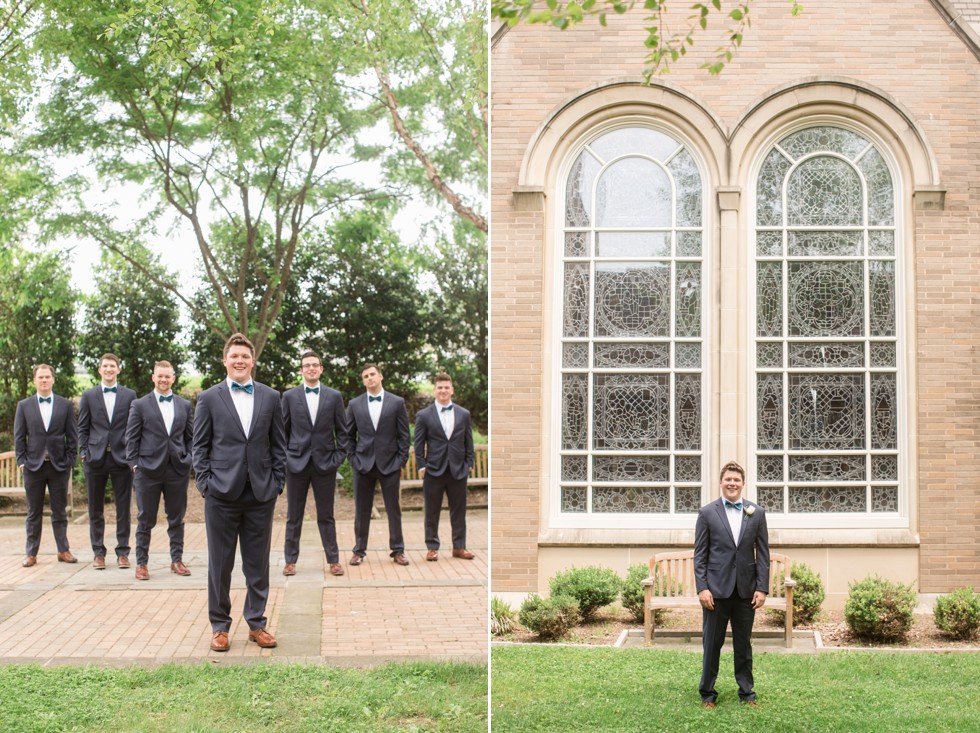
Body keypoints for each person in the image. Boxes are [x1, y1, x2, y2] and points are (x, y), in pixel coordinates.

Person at [192, 333, 286, 652]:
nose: (240, 361)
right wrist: (206, 484)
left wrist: (276, 483)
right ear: (225, 360)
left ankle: (257, 623)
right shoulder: (208, 398)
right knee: (220, 563)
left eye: (245, 356)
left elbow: (279, 445)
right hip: (221, 493)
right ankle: (219, 626)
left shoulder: (271, 397)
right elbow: (200, 447)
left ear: (253, 361)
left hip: (261, 493)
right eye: (234, 356)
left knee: (257, 563)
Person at [694, 460, 770, 709]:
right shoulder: (707, 513)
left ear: (743, 483)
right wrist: (702, 588)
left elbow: (763, 554)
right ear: (720, 482)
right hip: (716, 591)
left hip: (746, 591)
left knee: (743, 644)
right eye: (728, 479)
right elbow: (700, 555)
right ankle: (707, 692)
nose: (732, 483)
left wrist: (761, 588)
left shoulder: (756, 513)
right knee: (711, 644)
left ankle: (747, 692)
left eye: (736, 480)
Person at [281, 350, 351, 577]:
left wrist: (338, 458)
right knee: (294, 515)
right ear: (301, 370)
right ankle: (290, 560)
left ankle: (333, 559)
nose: (311, 368)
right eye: (307, 365)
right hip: (296, 464)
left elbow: (343, 432)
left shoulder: (334, 396)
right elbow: (282, 432)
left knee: (326, 515)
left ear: (321, 369)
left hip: (325, 464)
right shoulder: (289, 397)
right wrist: (287, 459)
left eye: (315, 365)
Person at [125, 360, 194, 580]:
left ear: (173, 378)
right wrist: (135, 464)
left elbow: (191, 437)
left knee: (176, 518)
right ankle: (142, 564)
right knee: (145, 519)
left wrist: (189, 459)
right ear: (153, 377)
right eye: (160, 376)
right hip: (147, 470)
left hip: (177, 469)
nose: (163, 380)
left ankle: (177, 560)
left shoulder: (184, 405)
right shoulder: (140, 404)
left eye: (167, 376)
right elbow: (131, 438)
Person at [346, 362, 411, 566]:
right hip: (363, 465)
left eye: (372, 374)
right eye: (365, 376)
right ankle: (359, 550)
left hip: (390, 464)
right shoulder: (355, 404)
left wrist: (400, 461)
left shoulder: (396, 402)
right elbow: (348, 436)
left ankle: (398, 550)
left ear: (380, 376)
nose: (369, 378)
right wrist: (353, 459)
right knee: (361, 510)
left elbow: (404, 435)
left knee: (394, 509)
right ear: (363, 380)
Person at [77, 353, 137, 570]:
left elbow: (134, 426)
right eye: (105, 366)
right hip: (95, 458)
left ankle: (123, 552)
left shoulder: (130, 395)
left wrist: (132, 453)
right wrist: (84, 452)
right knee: (95, 508)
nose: (109, 369)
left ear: (118, 369)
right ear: (99, 370)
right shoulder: (88, 395)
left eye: (113, 366)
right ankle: (98, 553)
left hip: (122, 458)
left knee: (123, 508)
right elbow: (82, 427)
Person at [14, 364, 78, 567]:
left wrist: (70, 461)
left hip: (59, 466)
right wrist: (21, 461)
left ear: (53, 380)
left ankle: (63, 550)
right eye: (40, 377)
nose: (44, 380)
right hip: (33, 467)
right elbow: (19, 437)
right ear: (35, 380)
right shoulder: (24, 405)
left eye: (47, 377)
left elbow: (72, 436)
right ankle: (31, 553)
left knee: (59, 511)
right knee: (34, 512)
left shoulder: (65, 405)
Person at [414, 373, 475, 561]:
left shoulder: (464, 414)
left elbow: (468, 442)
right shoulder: (423, 415)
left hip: (458, 470)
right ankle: (432, 547)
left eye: (446, 387)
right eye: (440, 387)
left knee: (459, 511)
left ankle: (459, 547)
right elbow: (418, 444)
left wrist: (468, 465)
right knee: (432, 511)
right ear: (435, 390)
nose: (443, 391)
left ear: (452, 390)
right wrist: (421, 466)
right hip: (434, 470)